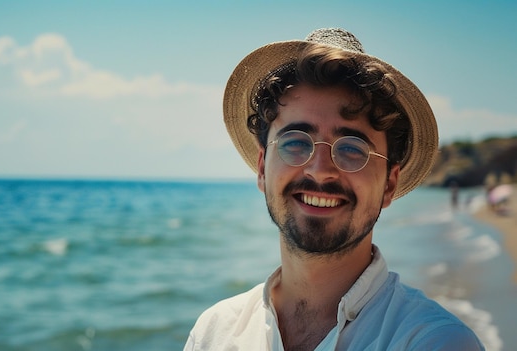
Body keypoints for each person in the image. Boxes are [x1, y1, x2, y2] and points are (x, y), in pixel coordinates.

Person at [184, 28, 484, 350]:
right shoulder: (214, 332)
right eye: (296, 142)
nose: (320, 170)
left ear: (389, 183)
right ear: (262, 168)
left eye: (352, 149)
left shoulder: (434, 341)